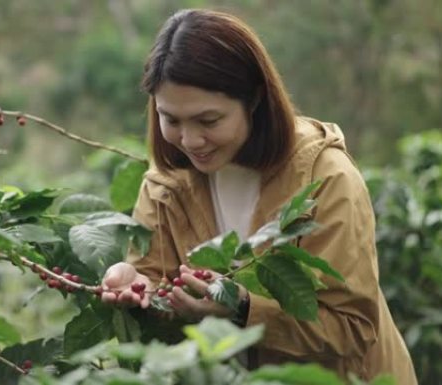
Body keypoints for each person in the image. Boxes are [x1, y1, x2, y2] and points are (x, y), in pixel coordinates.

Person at [100, 8, 417, 384]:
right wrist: (137, 285)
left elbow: (351, 327)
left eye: (209, 121)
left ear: (254, 100)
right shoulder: (166, 183)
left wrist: (242, 308)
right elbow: (156, 279)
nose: (190, 141)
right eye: (171, 119)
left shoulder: (325, 179)